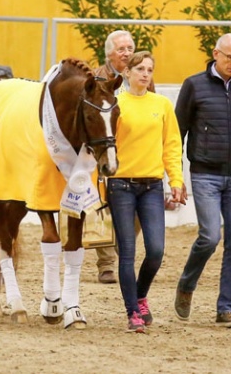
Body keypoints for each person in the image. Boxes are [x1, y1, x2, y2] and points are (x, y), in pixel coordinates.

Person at [173, 33, 231, 328]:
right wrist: (176, 175)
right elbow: (178, 132)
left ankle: (226, 307)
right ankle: (187, 284)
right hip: (205, 174)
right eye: (230, 57)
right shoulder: (193, 85)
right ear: (216, 54)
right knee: (210, 237)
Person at [107, 51, 186, 332]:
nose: (145, 74)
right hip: (121, 185)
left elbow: (172, 146)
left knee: (156, 250)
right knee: (127, 251)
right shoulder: (116, 103)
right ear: (126, 72)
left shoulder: (162, 105)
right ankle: (133, 312)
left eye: (149, 70)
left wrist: (176, 181)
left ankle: (140, 294)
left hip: (153, 185)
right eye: (139, 68)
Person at [93, 29, 136, 284]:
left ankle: (124, 247)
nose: (127, 53)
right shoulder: (98, 77)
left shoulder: (140, 74)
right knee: (103, 205)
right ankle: (106, 264)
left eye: (130, 48)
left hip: (132, 148)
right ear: (109, 53)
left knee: (136, 206)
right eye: (121, 49)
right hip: (105, 147)